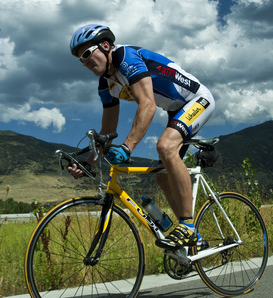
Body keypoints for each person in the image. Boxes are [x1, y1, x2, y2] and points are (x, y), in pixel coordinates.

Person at [68, 24, 215, 249]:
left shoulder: (126, 58)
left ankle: (187, 227)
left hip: (198, 100)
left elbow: (148, 104)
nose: (85, 62)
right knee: (162, 177)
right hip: (176, 110)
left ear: (105, 45)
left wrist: (127, 147)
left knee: (165, 146)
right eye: (81, 59)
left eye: (87, 54)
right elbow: (107, 132)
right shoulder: (105, 84)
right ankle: (194, 237)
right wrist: (89, 162)